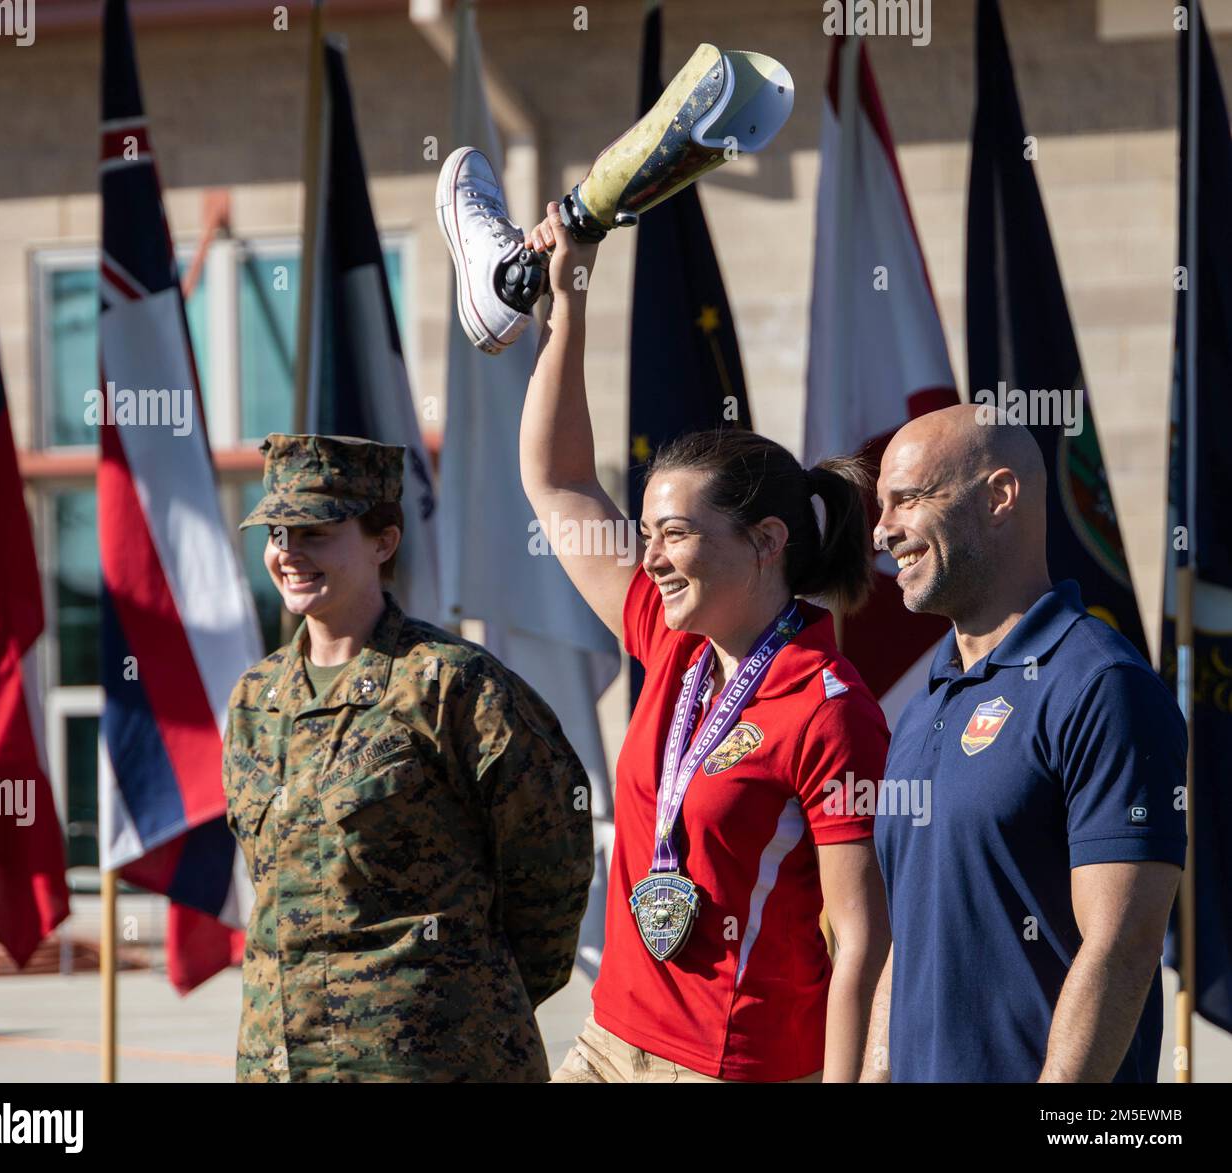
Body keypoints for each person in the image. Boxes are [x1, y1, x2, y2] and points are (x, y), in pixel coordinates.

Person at [477, 177, 893, 1082]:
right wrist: (570, 295)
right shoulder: (676, 641)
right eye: (647, 532)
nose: (651, 555)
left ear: (764, 543)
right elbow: (556, 481)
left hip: (725, 1068)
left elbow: (861, 939)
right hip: (606, 1041)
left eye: (674, 533)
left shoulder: (830, 709)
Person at [222, 432, 594, 1083]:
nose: (289, 551)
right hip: (282, 1059)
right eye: (277, 530)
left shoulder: (452, 685)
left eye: (315, 531)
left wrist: (465, 997)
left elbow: (552, 870)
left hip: (430, 1060)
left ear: (383, 541)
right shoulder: (257, 697)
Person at [863, 404, 1187, 1083]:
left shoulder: (1102, 684)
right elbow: (909, 942)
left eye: (907, 499)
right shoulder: (926, 704)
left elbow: (1122, 945)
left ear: (1000, 496)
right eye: (880, 505)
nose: (882, 530)